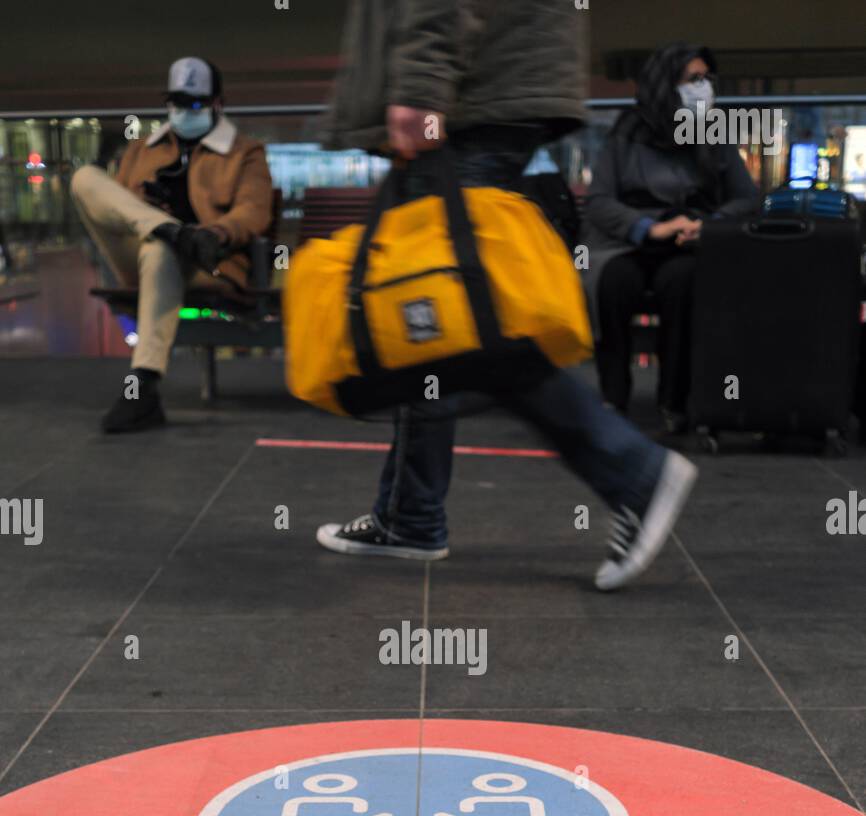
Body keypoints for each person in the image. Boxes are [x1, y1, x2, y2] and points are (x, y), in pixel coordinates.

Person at [315, 1, 697, 592]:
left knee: (465, 323)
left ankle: (633, 471)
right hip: (493, 86)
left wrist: (421, 84)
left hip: (471, 92)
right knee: (436, 315)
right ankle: (410, 517)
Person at [71, 57, 273, 433]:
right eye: (176, 103)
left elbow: (253, 211)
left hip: (207, 261)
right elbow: (117, 206)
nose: (183, 112)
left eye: (194, 104)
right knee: (85, 177)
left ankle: (142, 388)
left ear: (218, 103)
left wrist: (214, 233)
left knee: (160, 249)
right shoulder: (143, 150)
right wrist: (155, 215)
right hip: (139, 252)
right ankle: (169, 230)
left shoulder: (245, 153)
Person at [583, 42, 758, 431]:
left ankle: (673, 402)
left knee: (681, 283)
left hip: (688, 243)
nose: (704, 88)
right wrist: (649, 228)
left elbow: (746, 198)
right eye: (693, 79)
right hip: (630, 242)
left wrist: (708, 223)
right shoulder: (627, 132)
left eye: (707, 79)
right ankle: (613, 397)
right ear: (666, 83)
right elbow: (599, 200)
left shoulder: (714, 133)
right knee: (613, 283)